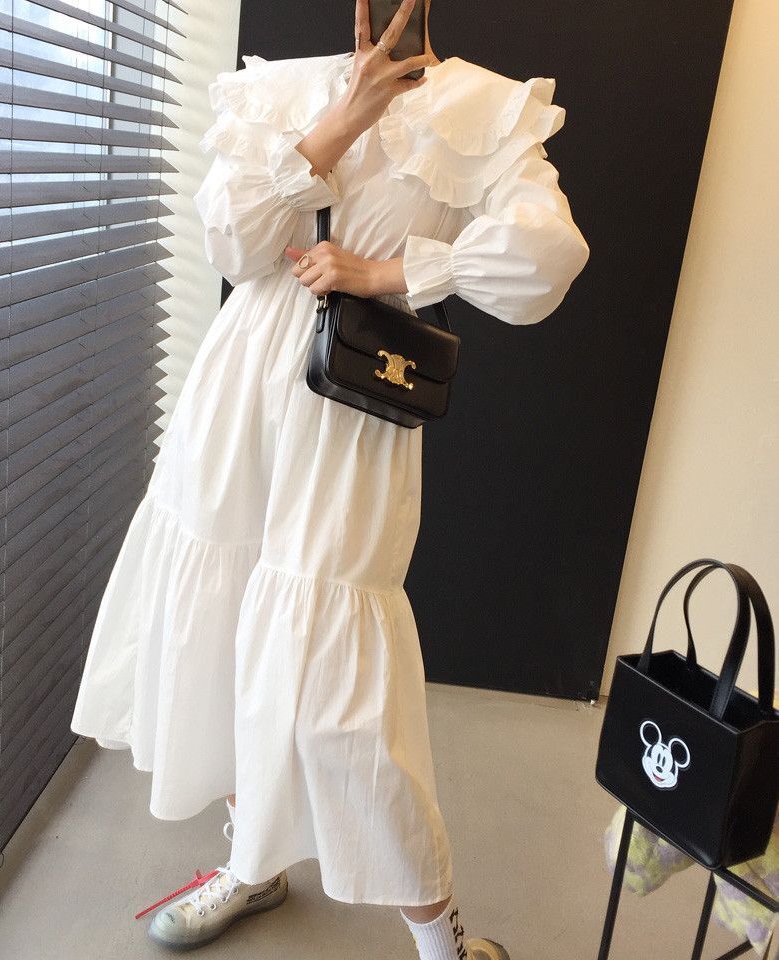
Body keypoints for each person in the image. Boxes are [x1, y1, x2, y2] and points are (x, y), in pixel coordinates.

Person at [69, 0, 590, 957]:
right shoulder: (283, 89)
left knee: (336, 682)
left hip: (351, 407)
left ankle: (441, 939)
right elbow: (231, 245)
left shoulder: (485, 106)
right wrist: (344, 116)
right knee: (222, 635)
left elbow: (547, 256)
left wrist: (387, 274)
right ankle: (252, 861)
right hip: (237, 395)